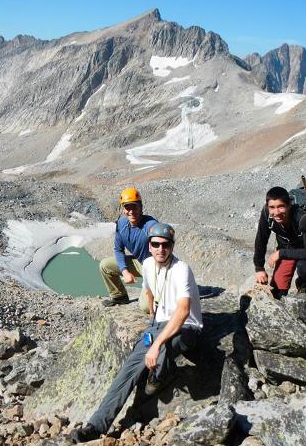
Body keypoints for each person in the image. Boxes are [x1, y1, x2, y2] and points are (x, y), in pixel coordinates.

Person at [71, 222, 203, 443]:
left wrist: (156, 343)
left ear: (172, 246)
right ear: (149, 246)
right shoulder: (149, 264)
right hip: (159, 323)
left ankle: (159, 375)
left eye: (166, 245)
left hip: (188, 327)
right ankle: (96, 425)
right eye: (156, 244)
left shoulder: (182, 269)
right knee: (130, 368)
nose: (161, 249)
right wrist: (152, 318)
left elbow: (182, 311)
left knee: (161, 348)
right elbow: (149, 291)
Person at [253, 186, 306, 299]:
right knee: (277, 294)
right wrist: (259, 268)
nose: (276, 212)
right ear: (267, 207)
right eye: (272, 207)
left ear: (289, 205)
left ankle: (303, 284)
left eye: (281, 207)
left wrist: (281, 254)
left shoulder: (304, 219)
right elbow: (261, 239)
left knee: (304, 267)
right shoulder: (267, 214)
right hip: (287, 246)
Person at [99, 188, 157, 310]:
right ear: (123, 209)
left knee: (146, 307)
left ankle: (164, 292)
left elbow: (163, 243)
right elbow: (118, 250)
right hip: (139, 262)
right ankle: (119, 296)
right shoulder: (121, 225)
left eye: (134, 207)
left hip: (154, 267)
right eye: (127, 207)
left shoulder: (151, 225)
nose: (131, 211)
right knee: (105, 265)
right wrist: (125, 271)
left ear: (141, 207)